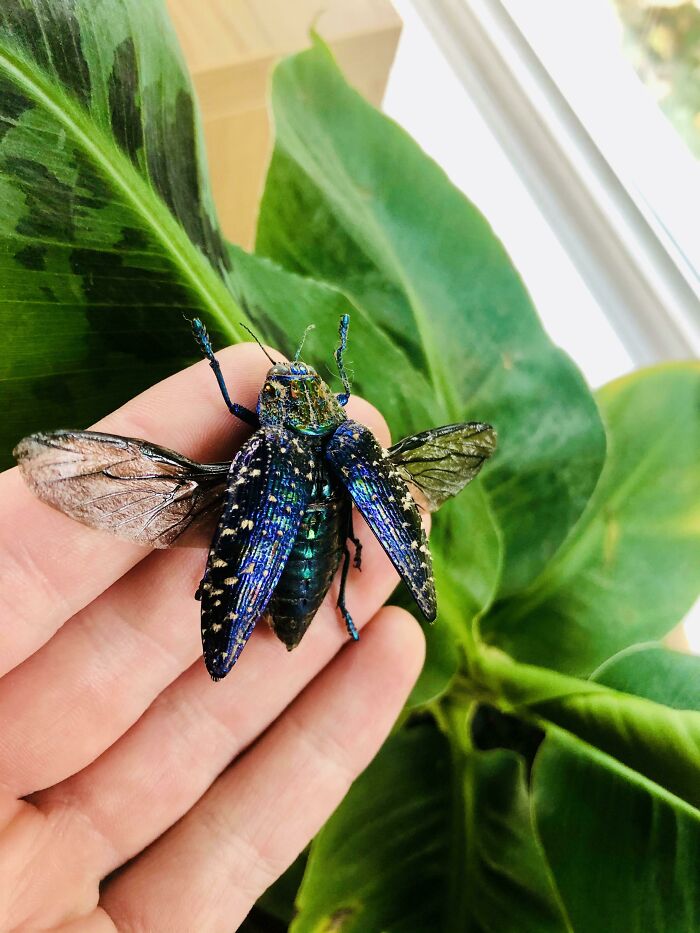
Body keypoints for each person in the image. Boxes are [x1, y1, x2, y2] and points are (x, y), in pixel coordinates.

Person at [0, 343, 425, 931]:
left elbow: (232, 416)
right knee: (338, 534)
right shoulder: (338, 444)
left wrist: (217, 367)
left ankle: (303, 605)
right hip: (318, 556)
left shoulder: (274, 447)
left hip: (295, 555)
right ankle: (329, 605)